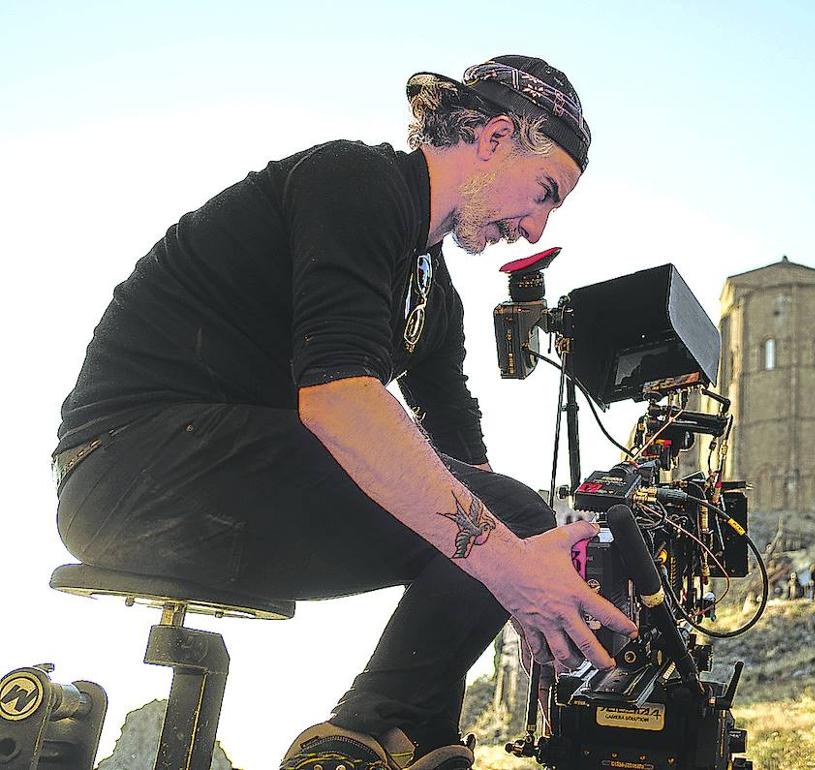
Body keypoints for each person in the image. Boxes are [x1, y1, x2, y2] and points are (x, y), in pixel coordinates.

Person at [51, 55, 636, 770]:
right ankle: (353, 745)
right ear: (494, 137)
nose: (537, 226)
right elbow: (340, 401)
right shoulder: (356, 182)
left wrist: (542, 561)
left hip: (226, 482)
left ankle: (408, 744)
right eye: (546, 190)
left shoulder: (431, 287)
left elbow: (462, 456)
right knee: (501, 527)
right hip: (129, 468)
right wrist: (510, 565)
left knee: (511, 516)